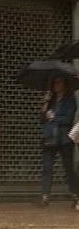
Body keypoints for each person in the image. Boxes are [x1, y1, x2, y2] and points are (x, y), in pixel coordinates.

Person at [36, 75, 79, 209]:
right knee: (47, 167)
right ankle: (45, 196)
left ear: (64, 84)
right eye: (54, 83)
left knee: (68, 168)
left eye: (59, 82)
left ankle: (75, 194)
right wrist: (44, 106)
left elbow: (69, 119)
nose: (56, 85)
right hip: (50, 137)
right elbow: (42, 119)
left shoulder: (70, 99)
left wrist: (54, 118)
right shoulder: (50, 100)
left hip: (64, 138)